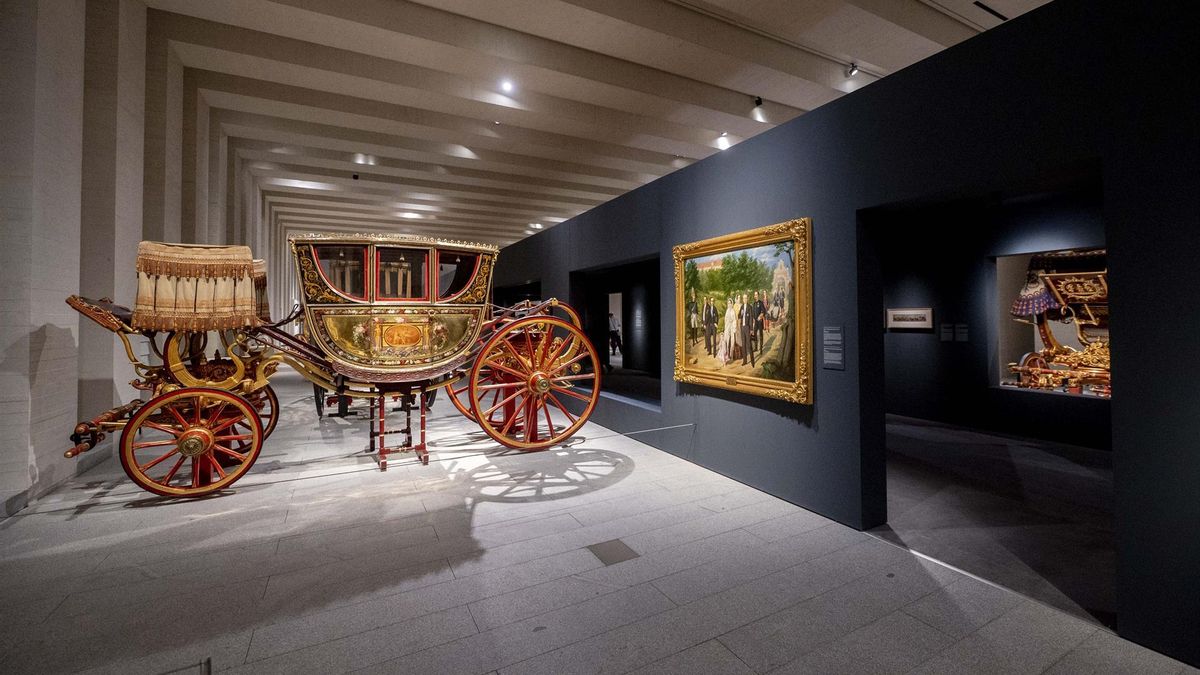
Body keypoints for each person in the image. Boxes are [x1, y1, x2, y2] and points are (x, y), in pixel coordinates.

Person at [739, 292, 756, 367]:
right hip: (742, 328)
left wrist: (751, 329)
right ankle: (745, 361)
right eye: (743, 298)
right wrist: (741, 313)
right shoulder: (742, 306)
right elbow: (739, 315)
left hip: (747, 328)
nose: (744, 299)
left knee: (749, 345)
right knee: (743, 345)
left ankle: (752, 361)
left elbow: (751, 319)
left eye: (746, 298)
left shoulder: (750, 307)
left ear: (747, 299)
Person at [718, 297, 736, 364]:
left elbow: (734, 320)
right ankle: (726, 357)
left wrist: (733, 328)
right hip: (727, 327)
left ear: (732, 304)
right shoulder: (727, 310)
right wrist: (726, 327)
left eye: (730, 303)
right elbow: (725, 319)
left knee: (732, 342)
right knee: (726, 342)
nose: (729, 305)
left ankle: (731, 356)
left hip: (731, 328)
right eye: (728, 304)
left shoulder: (733, 311)